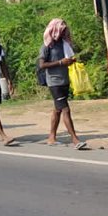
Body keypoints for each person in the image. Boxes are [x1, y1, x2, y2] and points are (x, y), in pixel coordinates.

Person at [37, 18, 87, 148]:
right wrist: (60, 62)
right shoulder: (47, 46)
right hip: (54, 82)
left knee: (57, 109)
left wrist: (71, 61)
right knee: (65, 109)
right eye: (61, 30)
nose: (63, 32)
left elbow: (67, 59)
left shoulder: (64, 44)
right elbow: (42, 65)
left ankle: (51, 137)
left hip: (65, 80)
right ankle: (75, 139)